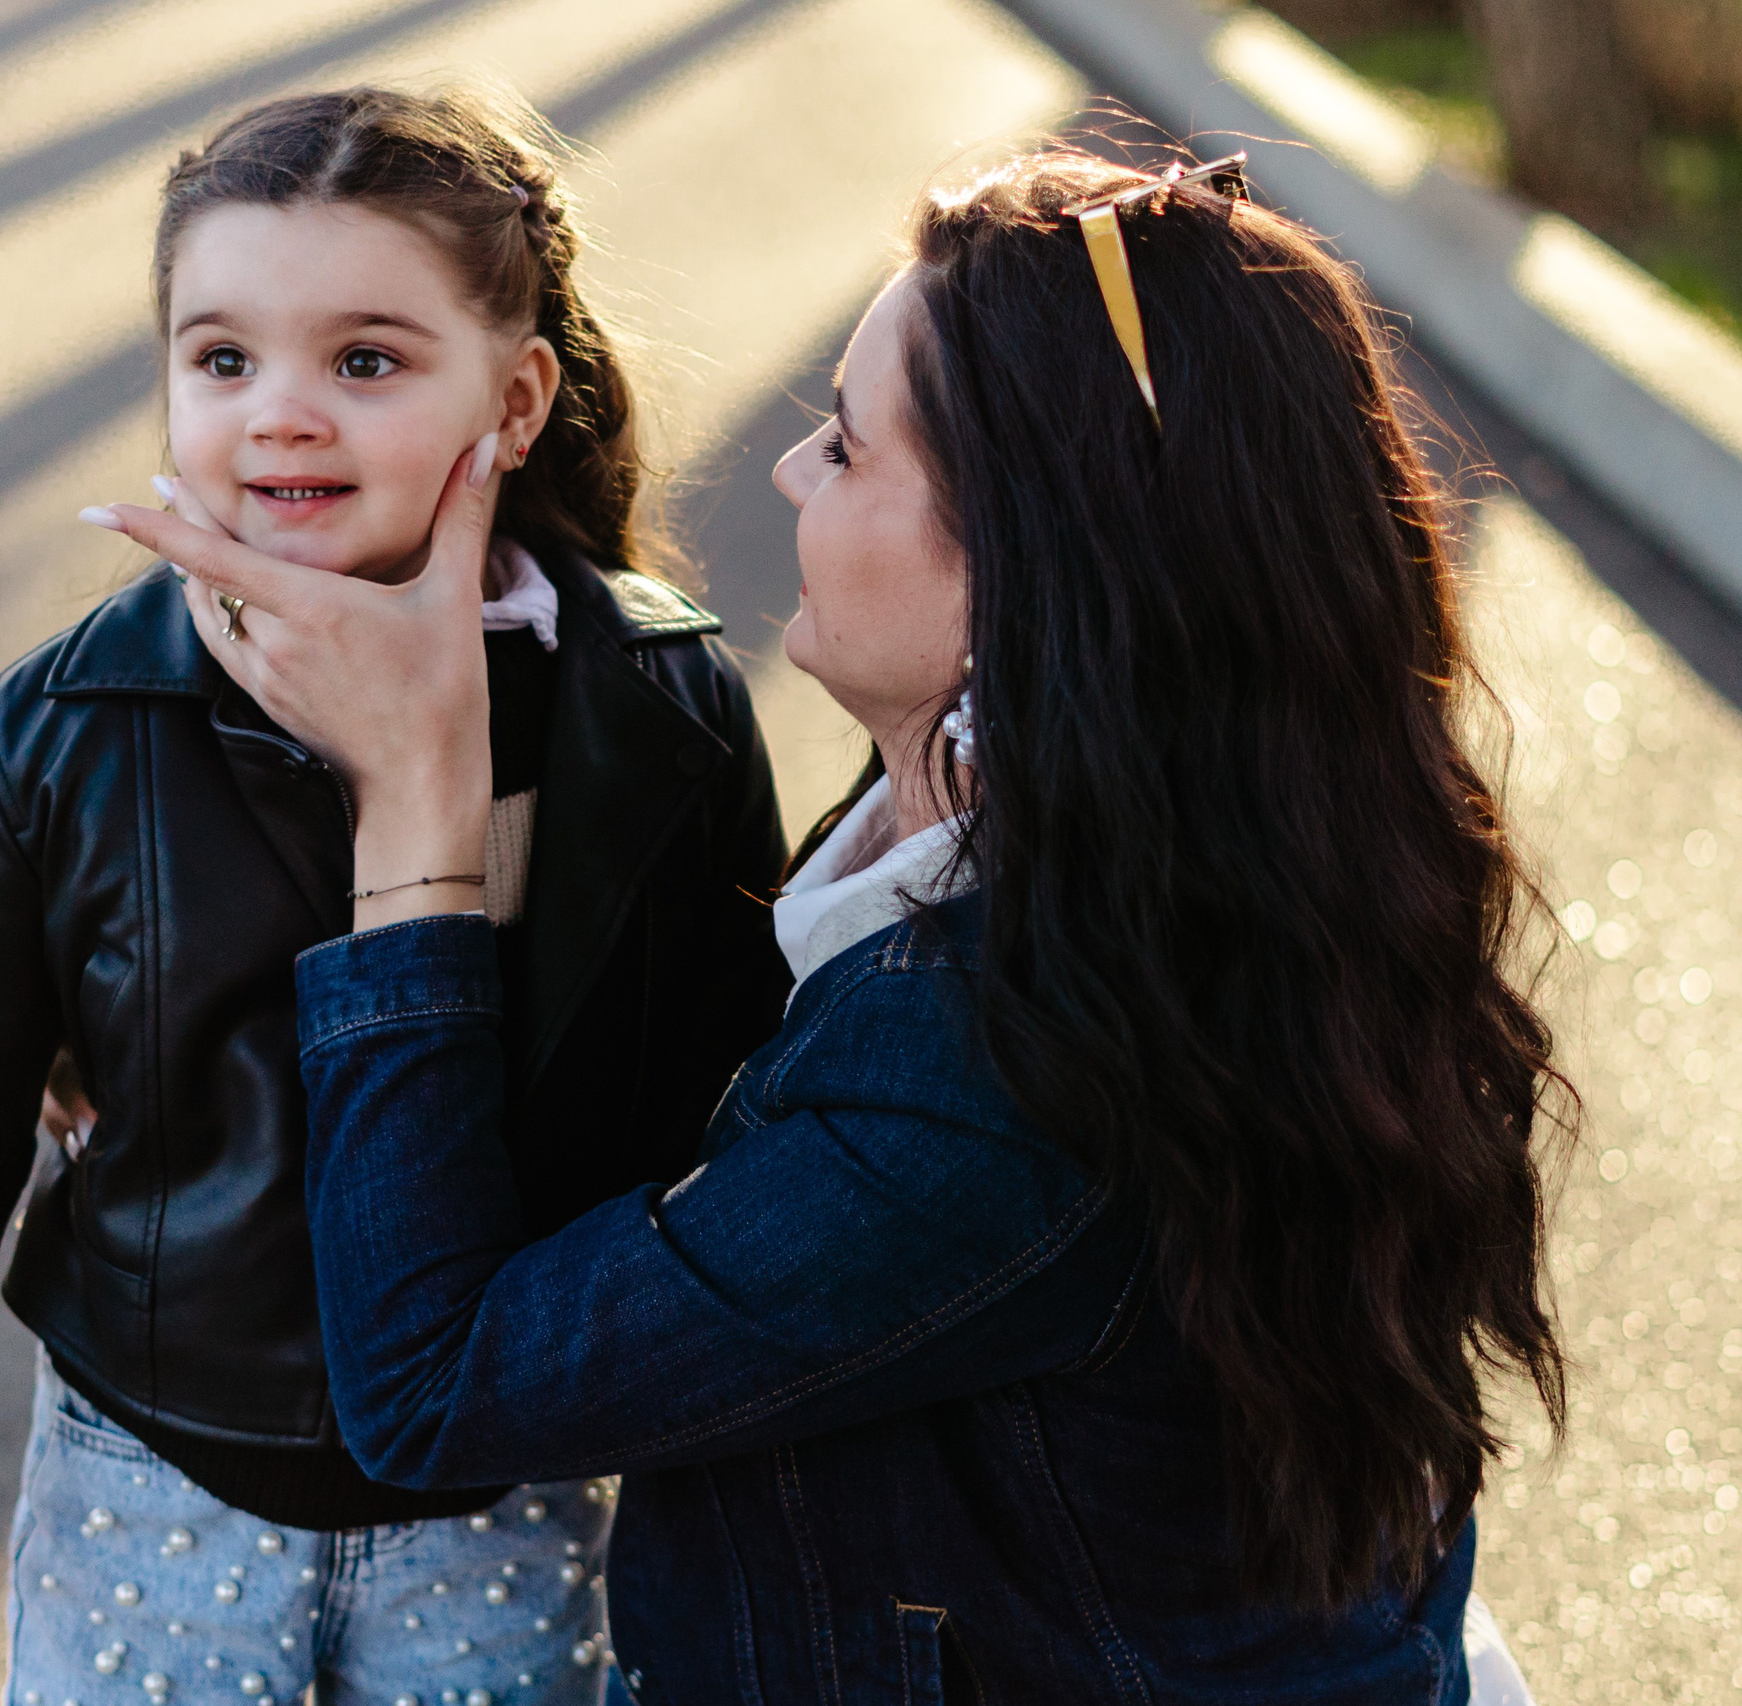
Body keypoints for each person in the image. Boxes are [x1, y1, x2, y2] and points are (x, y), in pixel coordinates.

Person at [96, 149, 1573, 1702]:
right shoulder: (1191, 859)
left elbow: (431, 1383)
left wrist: (413, 809)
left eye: (853, 449)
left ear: (1029, 576)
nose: (795, 472)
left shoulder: (1002, 1069)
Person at [0, 85, 790, 1705]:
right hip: (158, 1462)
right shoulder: (68, 726)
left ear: (520, 394)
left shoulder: (658, 706)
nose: (280, 413)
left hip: (503, 1478)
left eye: (365, 360)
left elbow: (729, 1076)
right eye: (222, 358)